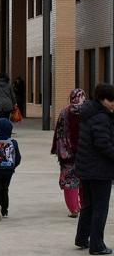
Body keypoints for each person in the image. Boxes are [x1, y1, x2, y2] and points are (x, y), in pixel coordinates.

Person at [74, 83, 114, 255]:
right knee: (100, 207)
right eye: (111, 100)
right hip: (99, 170)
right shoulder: (101, 117)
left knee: (88, 205)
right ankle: (97, 245)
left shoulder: (88, 113)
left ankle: (82, 238)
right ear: (101, 99)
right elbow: (103, 144)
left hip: (86, 168)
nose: (113, 103)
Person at [51, 89, 86, 218]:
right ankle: (85, 205)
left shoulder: (64, 112)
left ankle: (74, 208)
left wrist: (60, 150)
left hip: (67, 153)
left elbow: (59, 133)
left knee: (70, 180)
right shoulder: (88, 113)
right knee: (84, 180)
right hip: (84, 153)